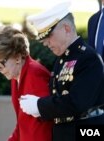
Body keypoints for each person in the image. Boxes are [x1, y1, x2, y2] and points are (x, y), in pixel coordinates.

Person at [20, 1, 104, 141]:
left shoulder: (88, 58)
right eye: (43, 39)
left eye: (48, 36)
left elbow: (77, 102)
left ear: (66, 28)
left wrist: (39, 105)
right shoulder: (61, 60)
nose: (46, 43)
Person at [0, 25, 53, 141]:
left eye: (0, 64)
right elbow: (22, 124)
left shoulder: (35, 75)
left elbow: (44, 125)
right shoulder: (16, 76)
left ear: (17, 57)